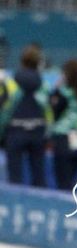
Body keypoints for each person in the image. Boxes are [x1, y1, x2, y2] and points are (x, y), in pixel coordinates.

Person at [0, 44, 50, 186]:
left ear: (21, 61)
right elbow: (48, 111)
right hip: (38, 132)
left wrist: (1, 132)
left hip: (15, 132)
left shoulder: (11, 84)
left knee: (15, 178)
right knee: (39, 176)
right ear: (38, 63)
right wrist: (47, 132)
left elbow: (6, 110)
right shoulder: (43, 85)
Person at [48, 59, 77, 189]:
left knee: (63, 181)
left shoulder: (64, 94)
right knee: (70, 181)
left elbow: (54, 112)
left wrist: (56, 89)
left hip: (64, 138)